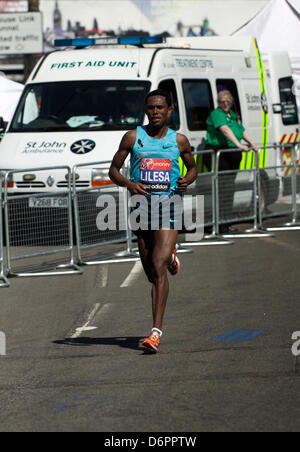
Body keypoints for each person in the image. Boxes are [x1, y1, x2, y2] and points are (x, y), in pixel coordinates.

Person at [109, 89, 197, 353]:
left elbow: (192, 167)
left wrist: (186, 180)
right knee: (150, 270)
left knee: (157, 266)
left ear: (169, 110)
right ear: (145, 111)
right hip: (140, 207)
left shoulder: (179, 141)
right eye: (151, 108)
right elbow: (113, 170)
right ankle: (170, 257)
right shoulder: (133, 137)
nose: (155, 112)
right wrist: (129, 183)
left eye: (160, 108)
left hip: (169, 205)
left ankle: (155, 332)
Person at [205, 90, 258, 232]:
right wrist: (239, 145)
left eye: (228, 102)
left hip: (231, 155)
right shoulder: (217, 114)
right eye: (223, 102)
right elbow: (225, 130)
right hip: (221, 154)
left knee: (229, 190)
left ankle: (226, 223)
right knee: (223, 190)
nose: (225, 104)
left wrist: (252, 143)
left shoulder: (232, 115)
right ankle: (220, 225)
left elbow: (241, 130)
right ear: (219, 102)